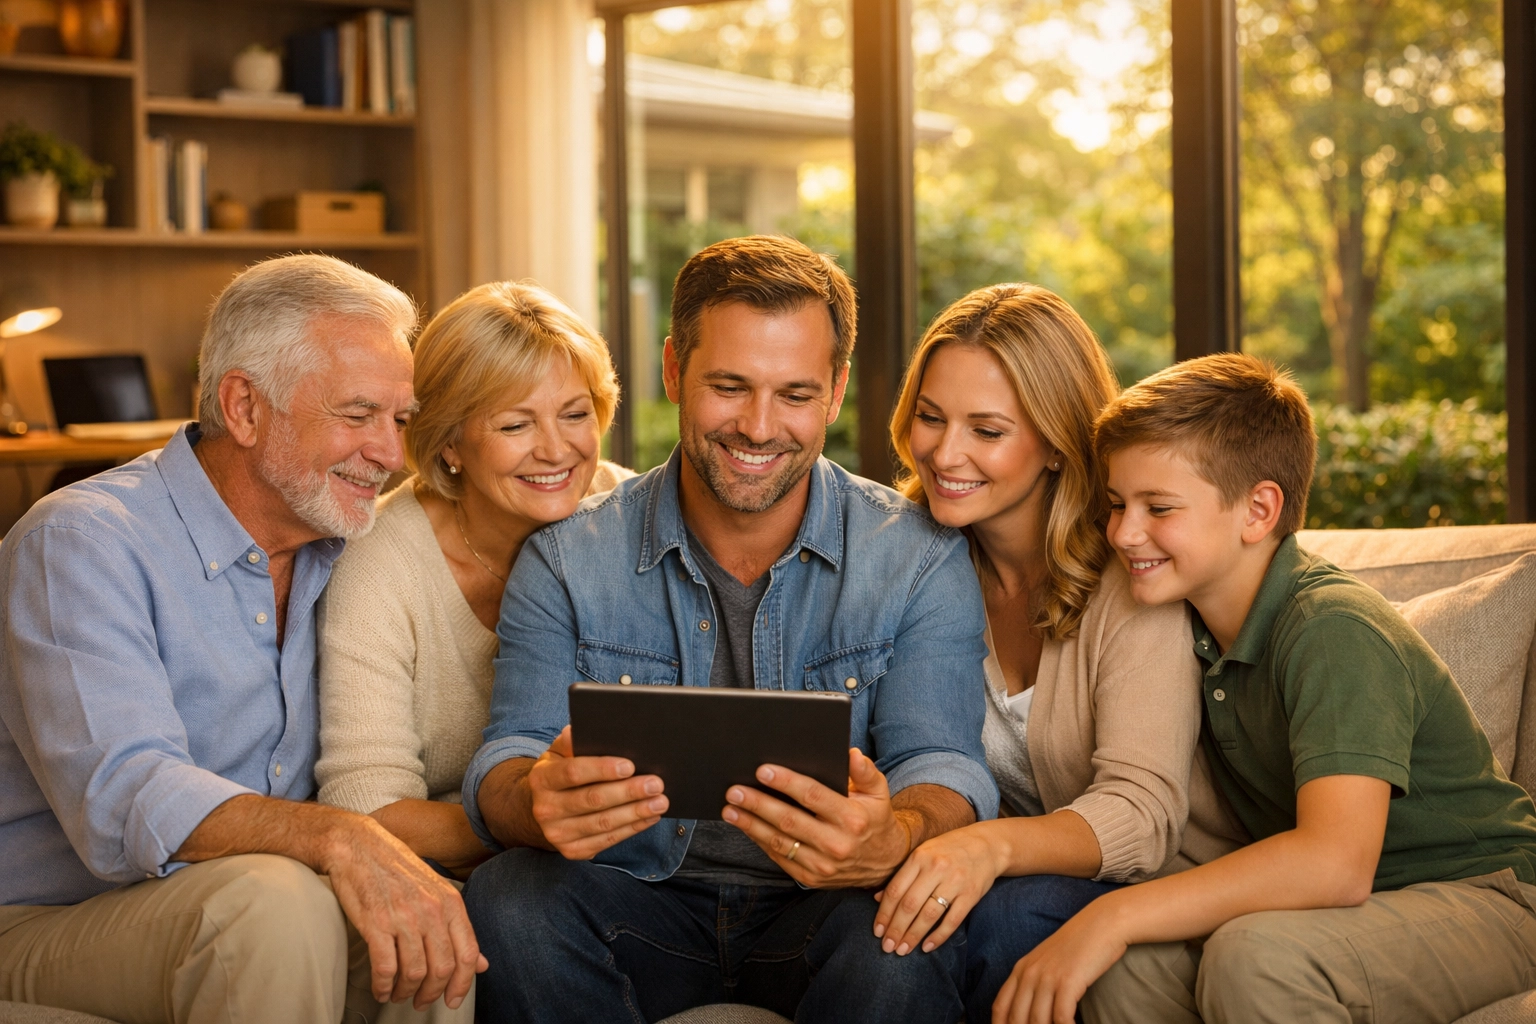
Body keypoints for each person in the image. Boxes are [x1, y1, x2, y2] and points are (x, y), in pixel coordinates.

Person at [458, 235, 998, 1023]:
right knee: (508, 897)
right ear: (675, 370)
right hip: (636, 897)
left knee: (903, 942)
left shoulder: (917, 558)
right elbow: (509, 753)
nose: (758, 426)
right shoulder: (569, 556)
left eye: (795, 394)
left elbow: (943, 760)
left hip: (825, 907)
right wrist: (533, 801)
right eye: (729, 386)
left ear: (837, 390)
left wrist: (900, 831)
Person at [0, 254, 484, 1023]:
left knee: (431, 934)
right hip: (45, 921)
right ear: (245, 407)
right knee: (272, 903)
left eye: (399, 420)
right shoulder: (83, 542)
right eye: (358, 415)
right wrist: (338, 837)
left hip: (255, 898)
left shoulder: (351, 550)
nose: (391, 455)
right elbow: (124, 792)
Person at [994, 352, 1536, 1024]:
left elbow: (1334, 863)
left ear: (1258, 510)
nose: (1122, 533)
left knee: (1255, 956)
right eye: (1115, 504)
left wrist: (1114, 914)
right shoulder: (1186, 626)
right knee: (1124, 973)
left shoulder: (1330, 627)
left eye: (1157, 507)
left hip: (1490, 900)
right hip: (1354, 916)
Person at [873, 284, 1245, 1023]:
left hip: (1164, 888)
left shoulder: (1135, 572)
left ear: (1052, 441)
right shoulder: (905, 563)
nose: (946, 453)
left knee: (1008, 917)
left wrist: (989, 849)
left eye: (987, 430)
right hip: (997, 874)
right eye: (930, 418)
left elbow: (1140, 817)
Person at [317, 281, 632, 881]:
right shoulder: (378, 566)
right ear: (451, 440)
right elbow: (367, 809)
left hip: (618, 875)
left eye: (574, 414)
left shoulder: (630, 511)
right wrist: (534, 819)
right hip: (457, 875)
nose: (556, 450)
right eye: (516, 426)